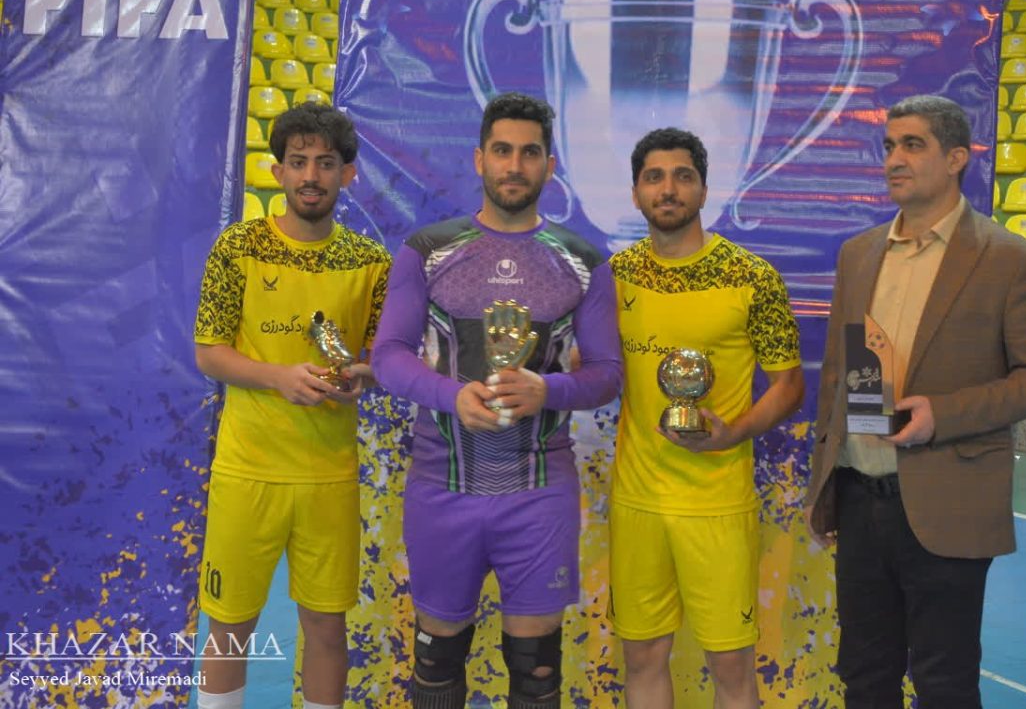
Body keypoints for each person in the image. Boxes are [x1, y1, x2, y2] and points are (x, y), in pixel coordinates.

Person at [803, 94, 1026, 709]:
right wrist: (827, 481)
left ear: (956, 158)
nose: (894, 159)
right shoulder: (858, 253)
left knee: (944, 683)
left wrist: (942, 416)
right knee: (863, 676)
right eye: (889, 146)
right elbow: (842, 373)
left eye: (913, 145)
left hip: (947, 504)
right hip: (860, 498)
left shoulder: (1011, 260)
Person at [371, 92, 622, 708]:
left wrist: (548, 389)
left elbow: (608, 375)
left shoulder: (584, 261)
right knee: (436, 662)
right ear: (479, 159)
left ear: (549, 165)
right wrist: (452, 396)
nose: (515, 165)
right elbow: (388, 357)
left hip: (538, 494)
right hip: (441, 489)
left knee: (537, 671)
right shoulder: (428, 249)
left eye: (529, 153)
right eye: (502, 151)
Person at [192, 103, 392, 709]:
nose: (311, 175)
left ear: (347, 175)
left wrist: (362, 377)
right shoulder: (238, 247)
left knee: (327, 629)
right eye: (299, 161)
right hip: (247, 471)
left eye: (325, 163)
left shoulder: (370, 263)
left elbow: (385, 360)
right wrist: (278, 377)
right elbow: (209, 353)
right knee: (230, 628)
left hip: (329, 477)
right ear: (277, 171)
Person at [607, 128, 805, 709]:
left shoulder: (752, 276)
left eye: (683, 176)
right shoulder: (613, 276)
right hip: (637, 502)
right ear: (637, 192)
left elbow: (790, 385)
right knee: (642, 659)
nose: (668, 189)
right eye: (654, 177)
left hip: (718, 505)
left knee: (732, 669)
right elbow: (589, 367)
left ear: (703, 189)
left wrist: (732, 433)